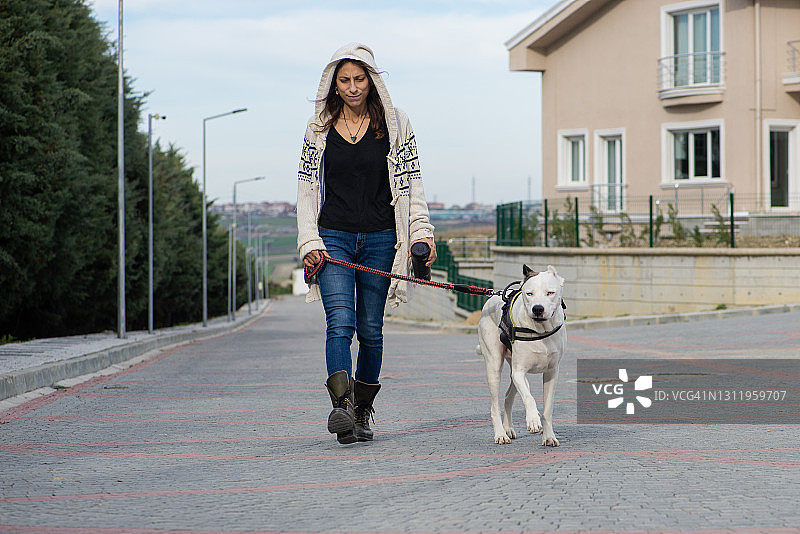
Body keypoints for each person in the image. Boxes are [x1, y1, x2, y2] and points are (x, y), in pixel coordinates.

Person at [296, 43, 437, 444]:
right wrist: (310, 241)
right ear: (333, 84)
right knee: (339, 322)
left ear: (372, 82)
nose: (353, 87)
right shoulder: (317, 128)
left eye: (360, 79)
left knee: (371, 332)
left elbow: (412, 182)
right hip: (333, 238)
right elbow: (306, 187)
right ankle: (340, 408)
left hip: (381, 239)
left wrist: (421, 232)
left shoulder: (396, 124)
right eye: (345, 80)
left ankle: (361, 411)